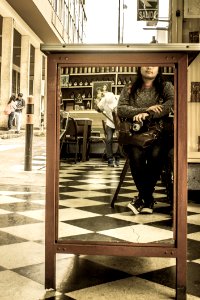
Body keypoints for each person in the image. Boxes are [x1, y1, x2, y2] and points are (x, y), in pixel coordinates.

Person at [117, 66, 174, 214]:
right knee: (136, 154)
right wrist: (146, 111)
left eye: (154, 64)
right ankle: (147, 198)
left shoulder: (166, 86)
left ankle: (143, 198)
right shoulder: (129, 87)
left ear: (159, 68)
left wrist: (149, 115)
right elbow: (121, 109)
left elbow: (170, 104)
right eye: (146, 64)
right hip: (135, 135)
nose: (150, 67)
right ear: (139, 68)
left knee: (156, 154)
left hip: (160, 134)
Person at [95, 84, 120, 167]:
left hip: (118, 122)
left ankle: (117, 156)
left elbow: (109, 97)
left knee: (121, 140)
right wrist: (97, 105)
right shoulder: (103, 100)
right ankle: (110, 158)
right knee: (108, 139)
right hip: (109, 123)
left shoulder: (114, 97)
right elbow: (99, 109)